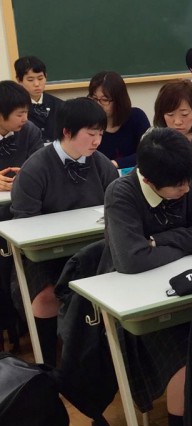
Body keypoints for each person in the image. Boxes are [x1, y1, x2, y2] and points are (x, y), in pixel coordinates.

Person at [100, 127, 192, 426]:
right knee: (184, 367)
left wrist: (161, 240)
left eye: (189, 183)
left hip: (190, 296)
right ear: (149, 179)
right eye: (177, 187)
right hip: (141, 310)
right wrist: (188, 238)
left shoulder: (186, 180)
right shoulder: (122, 193)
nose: (186, 190)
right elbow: (132, 261)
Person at [10, 97, 118, 367]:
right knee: (47, 296)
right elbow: (24, 225)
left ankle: (99, 362)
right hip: (44, 255)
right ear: (67, 132)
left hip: (91, 249)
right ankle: (47, 365)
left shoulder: (102, 164)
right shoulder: (35, 168)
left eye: (101, 134)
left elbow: (119, 209)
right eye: (90, 134)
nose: (97, 141)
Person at [0, 80, 43, 353]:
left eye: (27, 111)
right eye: (19, 114)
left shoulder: (30, 131)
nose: (25, 118)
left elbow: (42, 166)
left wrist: (26, 179)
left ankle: (24, 320)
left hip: (21, 211)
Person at [87, 71, 150, 169]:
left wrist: (115, 164)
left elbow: (149, 153)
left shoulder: (136, 117)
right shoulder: (87, 123)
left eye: (104, 100)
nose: (98, 104)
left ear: (119, 100)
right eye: (94, 99)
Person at [13, 55, 64, 143]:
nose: (37, 84)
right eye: (30, 80)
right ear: (19, 80)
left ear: (46, 76)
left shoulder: (60, 105)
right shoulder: (14, 107)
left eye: (40, 78)